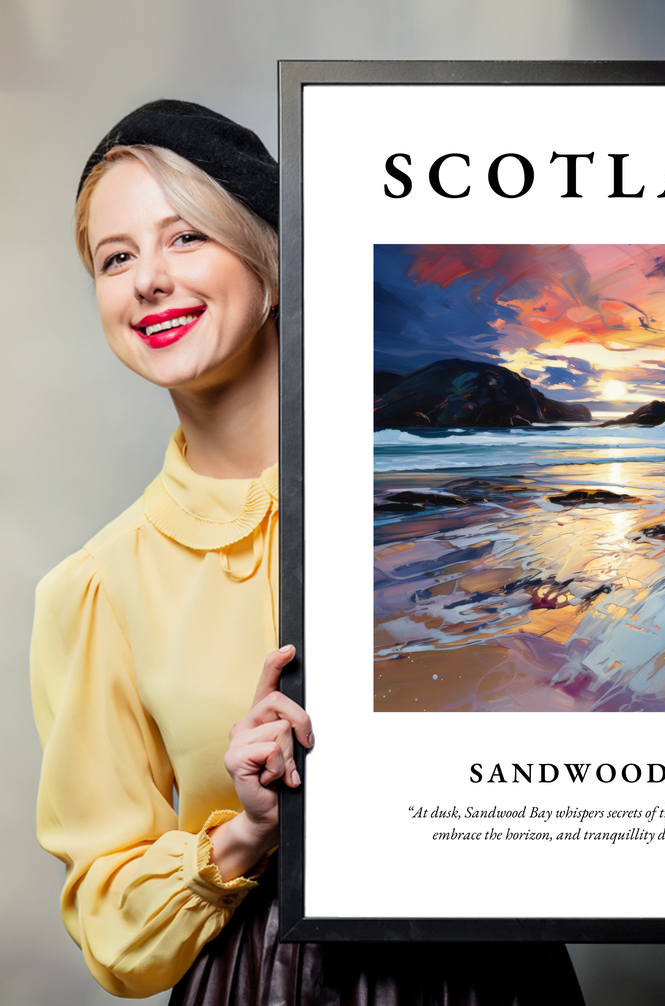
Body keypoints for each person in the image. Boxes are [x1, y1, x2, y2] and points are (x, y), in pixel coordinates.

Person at [30, 100, 586, 1004]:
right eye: (116, 257)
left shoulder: (452, 507)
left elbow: (605, 712)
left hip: (493, 972)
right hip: (263, 981)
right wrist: (245, 832)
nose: (148, 281)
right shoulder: (97, 587)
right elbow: (110, 924)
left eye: (185, 238)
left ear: (272, 263)